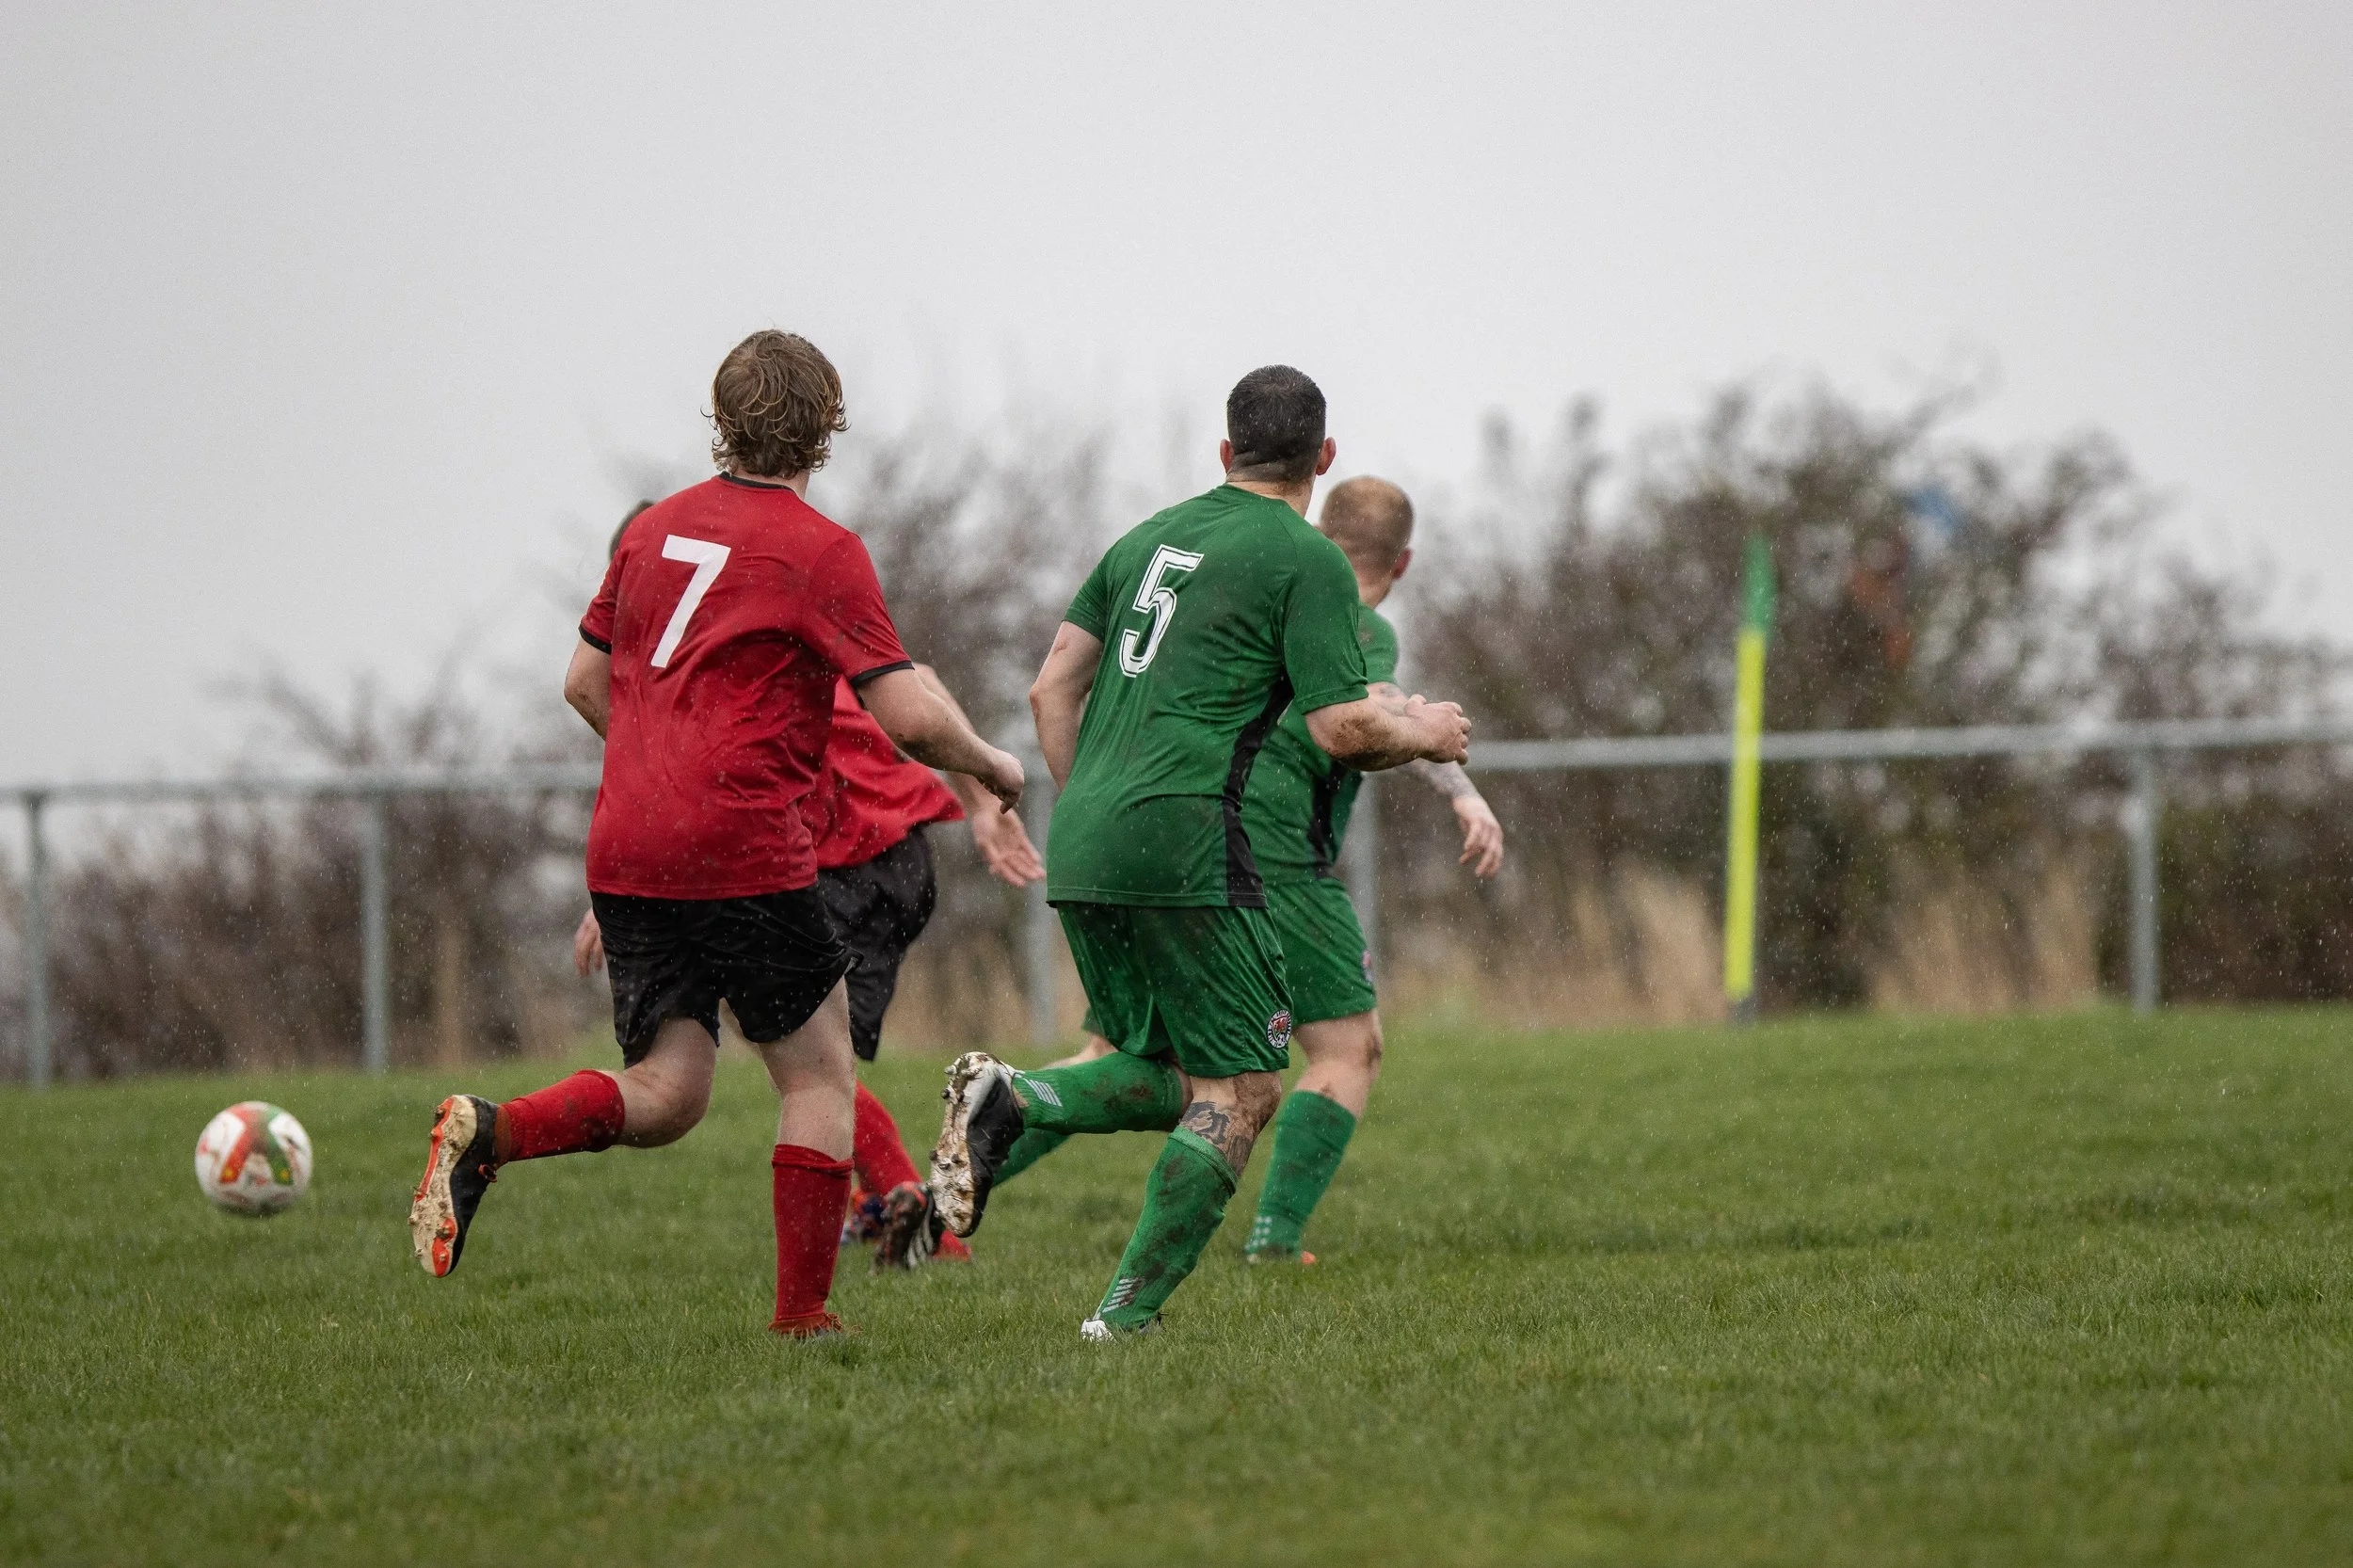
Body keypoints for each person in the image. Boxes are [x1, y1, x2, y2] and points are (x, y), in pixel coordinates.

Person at [408, 329, 1025, 1340]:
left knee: (669, 1091)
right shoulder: (819, 550)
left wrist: (663, 772)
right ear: (825, 432)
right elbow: (906, 712)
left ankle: (496, 1131)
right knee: (819, 1076)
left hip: (628, 845)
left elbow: (580, 682)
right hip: (744, 843)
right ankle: (802, 1318)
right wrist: (988, 764)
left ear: (718, 416)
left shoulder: (648, 536)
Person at [927, 366, 1471, 1338]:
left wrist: (1091, 793)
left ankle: (1016, 1100)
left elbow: (1050, 689)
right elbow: (1343, 729)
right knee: (1246, 1087)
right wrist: (1430, 736)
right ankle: (1120, 1317)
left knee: (1160, 1067)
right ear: (1324, 457)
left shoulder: (1144, 539)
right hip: (1187, 844)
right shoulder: (1303, 559)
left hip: (1084, 830)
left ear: (1225, 453)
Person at [570, 529, 1047, 1272]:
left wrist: (985, 798)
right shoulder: (766, 608)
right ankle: (880, 1203)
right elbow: (917, 676)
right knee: (800, 1051)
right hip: (891, 853)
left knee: (805, 1058)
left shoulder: (707, 664)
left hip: (855, 856)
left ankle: (920, 1222)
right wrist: (981, 804)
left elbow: (678, 795)